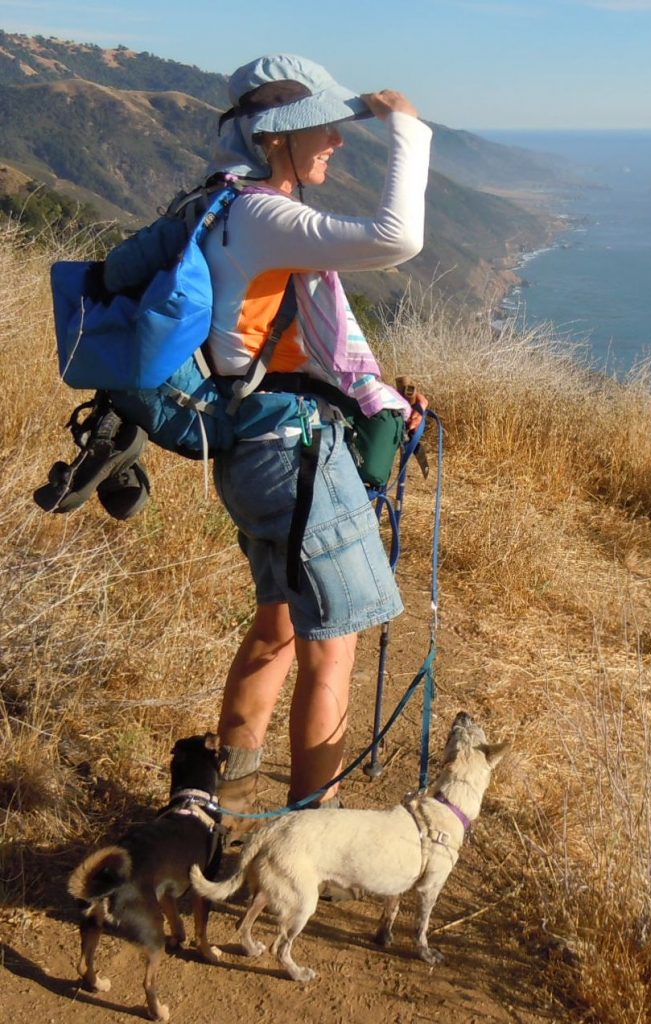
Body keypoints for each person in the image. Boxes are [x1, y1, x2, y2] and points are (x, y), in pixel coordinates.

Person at [202, 54, 431, 829]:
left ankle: (221, 812)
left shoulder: (233, 208)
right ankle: (309, 840)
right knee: (330, 649)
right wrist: (402, 123)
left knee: (277, 630)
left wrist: (376, 396)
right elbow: (396, 236)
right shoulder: (266, 215)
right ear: (276, 139)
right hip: (289, 451)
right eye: (319, 126)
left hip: (255, 444)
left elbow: (298, 337)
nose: (334, 137)